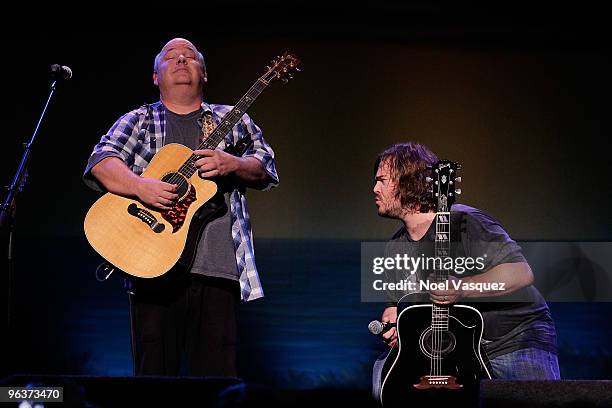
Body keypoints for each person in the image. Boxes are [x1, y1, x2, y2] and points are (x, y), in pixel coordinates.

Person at [83, 38, 279, 376]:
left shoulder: (231, 120)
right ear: (155, 76)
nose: (181, 60)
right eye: (170, 57)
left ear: (204, 73)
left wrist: (232, 163)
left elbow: (266, 168)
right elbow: (101, 161)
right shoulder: (140, 120)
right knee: (154, 378)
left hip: (218, 269)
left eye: (190, 57)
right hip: (152, 266)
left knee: (218, 384)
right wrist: (140, 186)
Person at [371, 142, 559, 396]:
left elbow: (520, 273)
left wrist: (461, 288)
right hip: (460, 350)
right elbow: (396, 304)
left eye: (382, 180)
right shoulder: (395, 247)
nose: (375, 189)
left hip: (514, 339)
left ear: (407, 181)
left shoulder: (464, 222)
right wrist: (393, 321)